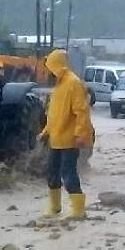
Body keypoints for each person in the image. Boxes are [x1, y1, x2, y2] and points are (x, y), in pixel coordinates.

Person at [37, 49, 94, 220]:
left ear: (57, 66)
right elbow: (54, 114)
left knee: (68, 174)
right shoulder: (59, 86)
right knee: (52, 174)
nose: (48, 72)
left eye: (49, 68)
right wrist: (45, 131)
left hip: (70, 141)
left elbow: (82, 112)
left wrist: (81, 135)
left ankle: (78, 210)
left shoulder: (73, 83)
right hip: (56, 140)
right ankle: (55, 207)